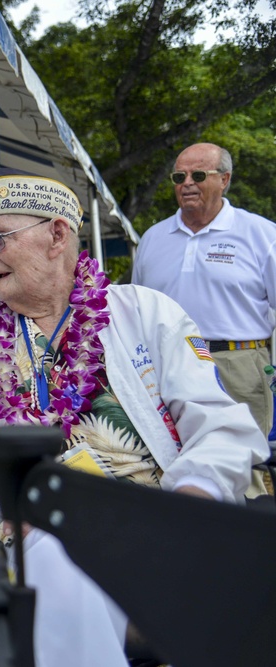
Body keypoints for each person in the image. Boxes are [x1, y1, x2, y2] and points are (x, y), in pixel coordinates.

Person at [0, 168, 267, 666]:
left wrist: (187, 505)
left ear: (56, 235)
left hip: (153, 522)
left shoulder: (145, 313)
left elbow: (221, 424)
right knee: (56, 558)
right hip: (31, 530)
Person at [133, 142, 276, 496]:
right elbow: (136, 310)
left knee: (243, 466)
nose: (187, 184)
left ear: (224, 179)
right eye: (179, 176)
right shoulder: (153, 239)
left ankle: (248, 545)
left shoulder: (260, 233)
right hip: (167, 365)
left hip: (238, 364)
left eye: (199, 175)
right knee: (175, 457)